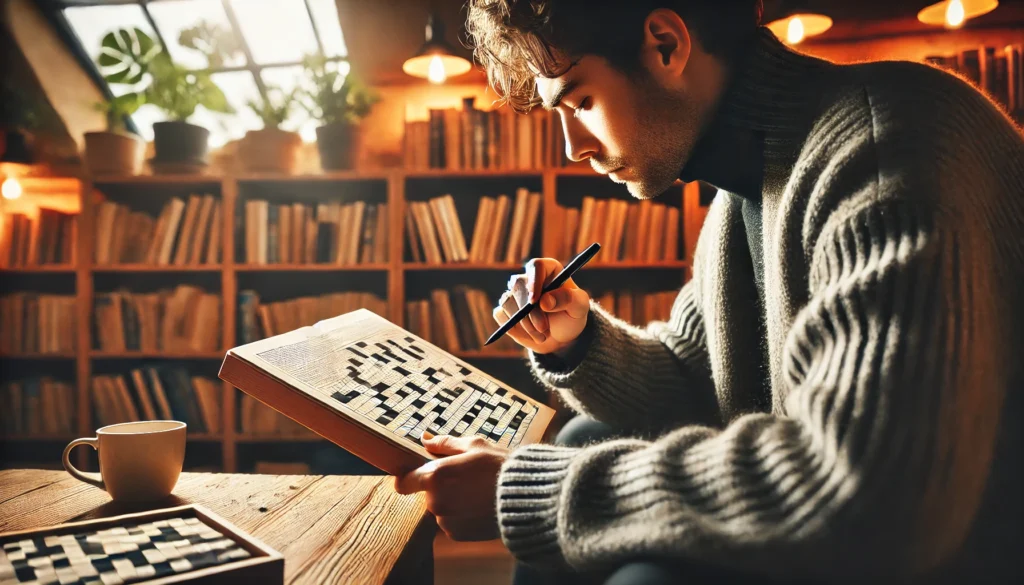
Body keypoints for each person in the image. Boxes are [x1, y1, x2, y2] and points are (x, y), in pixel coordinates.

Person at [395, 0, 1024, 583]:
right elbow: (703, 384)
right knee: (584, 435)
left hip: (943, 558)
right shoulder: (743, 189)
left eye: (580, 102)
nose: (574, 147)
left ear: (666, 45)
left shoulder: (884, 145)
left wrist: (534, 493)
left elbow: (867, 492)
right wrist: (581, 340)